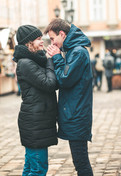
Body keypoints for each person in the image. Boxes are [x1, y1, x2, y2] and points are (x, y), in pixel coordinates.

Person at [45, 18, 93, 176]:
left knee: (81, 163)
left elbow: (65, 79)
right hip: (75, 113)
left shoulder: (78, 52)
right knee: (80, 161)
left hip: (77, 115)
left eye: (53, 39)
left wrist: (57, 57)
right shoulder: (73, 51)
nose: (52, 43)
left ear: (62, 34)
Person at [13, 25, 58, 176]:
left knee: (31, 167)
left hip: (37, 121)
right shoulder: (26, 63)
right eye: (38, 39)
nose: (42, 42)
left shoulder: (35, 60)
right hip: (35, 123)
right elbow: (50, 84)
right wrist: (50, 61)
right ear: (28, 42)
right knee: (38, 169)